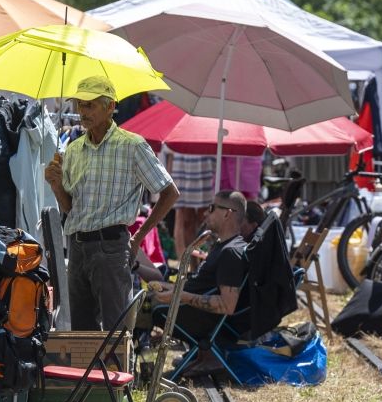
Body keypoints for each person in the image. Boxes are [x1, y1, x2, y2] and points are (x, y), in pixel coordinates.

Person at [45, 76, 178, 331]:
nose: (82, 112)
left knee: (116, 329)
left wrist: (138, 236)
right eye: (80, 105)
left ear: (110, 106)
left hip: (111, 246)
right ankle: (89, 372)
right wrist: (56, 185)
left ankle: (118, 371)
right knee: (82, 330)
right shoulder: (74, 148)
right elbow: (71, 208)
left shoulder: (132, 145)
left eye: (90, 105)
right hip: (77, 245)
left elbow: (169, 192)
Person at [148, 190, 249, 345]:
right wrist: (170, 288)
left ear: (227, 214)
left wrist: (179, 296)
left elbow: (227, 305)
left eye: (211, 208)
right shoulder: (223, 246)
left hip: (199, 319)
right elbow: (201, 288)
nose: (204, 214)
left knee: (141, 310)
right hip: (188, 308)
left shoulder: (231, 252)